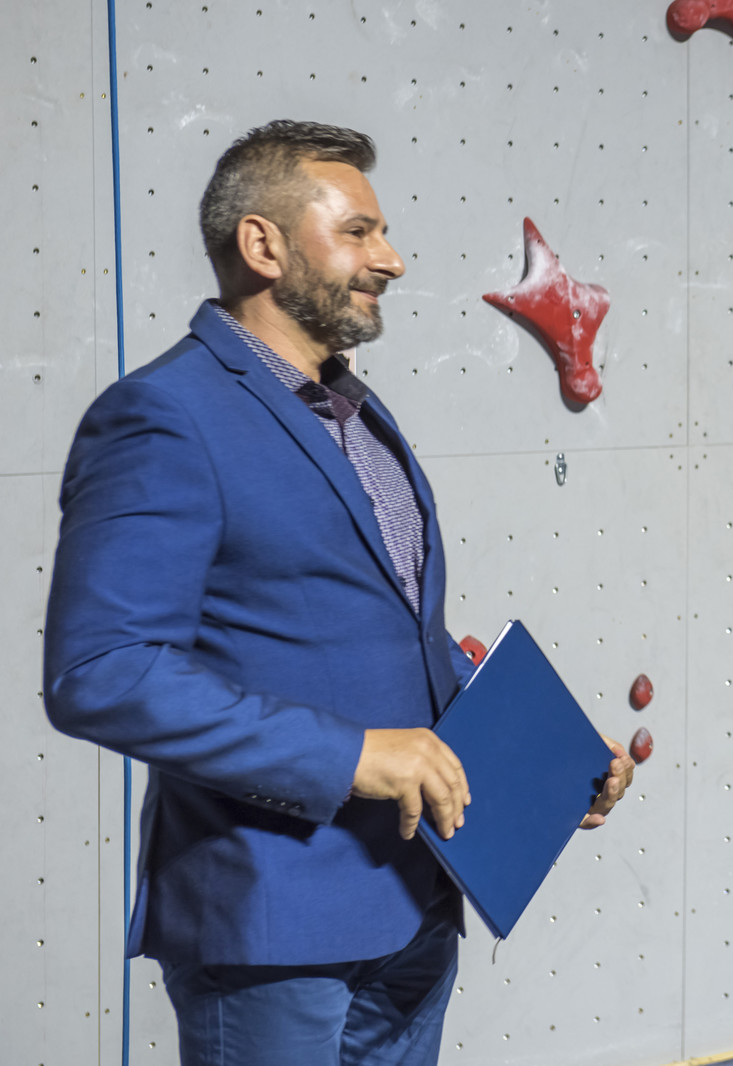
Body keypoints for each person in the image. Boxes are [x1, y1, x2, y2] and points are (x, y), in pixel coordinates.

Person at [43, 120, 633, 1066]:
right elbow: (103, 674)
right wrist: (349, 755)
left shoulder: (356, 410)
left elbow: (392, 635)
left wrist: (547, 752)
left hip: (416, 902)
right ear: (263, 244)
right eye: (358, 232)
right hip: (274, 930)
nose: (390, 259)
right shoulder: (163, 415)